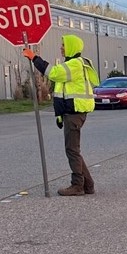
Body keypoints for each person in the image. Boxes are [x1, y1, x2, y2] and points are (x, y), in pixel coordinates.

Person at [23, 34, 100, 196]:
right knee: (74, 149)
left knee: (72, 150)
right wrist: (59, 114)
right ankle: (88, 184)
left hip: (74, 113)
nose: (61, 47)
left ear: (72, 46)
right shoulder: (72, 65)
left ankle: (78, 185)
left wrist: (34, 58)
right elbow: (62, 91)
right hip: (71, 112)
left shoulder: (74, 64)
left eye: (64, 45)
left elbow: (53, 73)